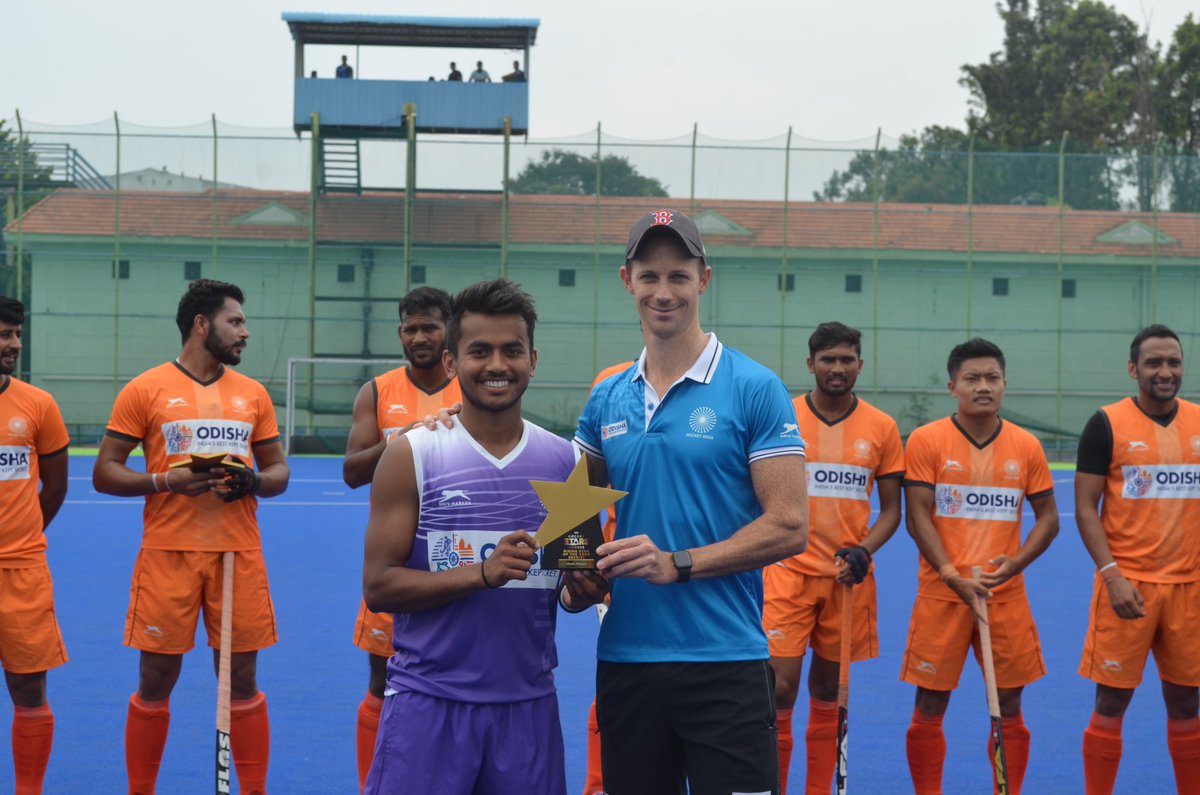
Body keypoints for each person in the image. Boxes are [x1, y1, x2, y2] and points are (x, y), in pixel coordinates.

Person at [573, 209, 809, 794]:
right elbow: (572, 509)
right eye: (649, 276)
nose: (663, 291)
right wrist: (576, 574)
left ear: (704, 280)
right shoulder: (607, 396)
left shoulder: (755, 387)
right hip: (628, 661)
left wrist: (677, 564)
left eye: (678, 276)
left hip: (725, 659)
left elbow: (789, 526)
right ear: (627, 280)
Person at [361, 278, 607, 794]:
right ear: (452, 363)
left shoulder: (567, 464)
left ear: (533, 360)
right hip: (429, 704)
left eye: (511, 350)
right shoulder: (412, 456)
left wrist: (583, 590)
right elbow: (379, 586)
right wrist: (480, 574)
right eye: (480, 351)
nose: (497, 365)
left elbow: (571, 588)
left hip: (527, 709)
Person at [93, 279, 289, 795]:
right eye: (236, 321)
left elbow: (278, 472)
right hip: (167, 556)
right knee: (155, 682)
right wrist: (165, 480)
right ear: (202, 324)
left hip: (237, 554)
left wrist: (255, 482)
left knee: (242, 682)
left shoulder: (253, 395)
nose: (245, 332)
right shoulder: (146, 389)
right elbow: (105, 472)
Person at [901, 337, 1058, 795]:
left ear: (1005, 385)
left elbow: (1048, 518)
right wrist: (950, 574)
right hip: (942, 594)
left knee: (1009, 702)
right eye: (972, 378)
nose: (983, 386)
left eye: (992, 377)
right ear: (953, 386)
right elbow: (917, 518)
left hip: (1002, 595)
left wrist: (1015, 564)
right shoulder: (928, 440)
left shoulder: (1026, 446)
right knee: (930, 703)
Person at [762, 321, 904, 794]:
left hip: (847, 579)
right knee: (778, 689)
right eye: (828, 360)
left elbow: (891, 511)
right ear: (811, 365)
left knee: (828, 692)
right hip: (786, 573)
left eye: (847, 359)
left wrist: (864, 550)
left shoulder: (882, 427)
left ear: (859, 364)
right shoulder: (784, 416)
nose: (838, 368)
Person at [343, 286, 462, 792]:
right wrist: (403, 438)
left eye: (429, 327)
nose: (419, 337)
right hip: (393, 560)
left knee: (460, 681)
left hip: (458, 558)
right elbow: (351, 471)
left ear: (449, 331)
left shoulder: (472, 383)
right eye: (410, 328)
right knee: (381, 682)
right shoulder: (376, 391)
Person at [1076, 324, 1200, 794]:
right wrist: (1112, 577)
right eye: (1154, 363)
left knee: (1187, 704)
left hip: (1190, 589)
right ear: (1133, 369)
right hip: (1128, 587)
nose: (1165, 372)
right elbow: (1087, 509)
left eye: (1173, 362)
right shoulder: (1106, 423)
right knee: (1111, 702)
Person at [0, 296, 69, 794]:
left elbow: (57, 486)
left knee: (29, 690)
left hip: (21, 571)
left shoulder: (38, 404)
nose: (14, 344)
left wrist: (23, 536)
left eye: (17, 333)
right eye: (4, 333)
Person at [581, 360, 635, 795]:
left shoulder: (735, 383)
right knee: (617, 684)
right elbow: (582, 485)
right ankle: (598, 786)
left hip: (697, 578)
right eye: (649, 282)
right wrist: (585, 564)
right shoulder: (610, 385)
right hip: (622, 581)